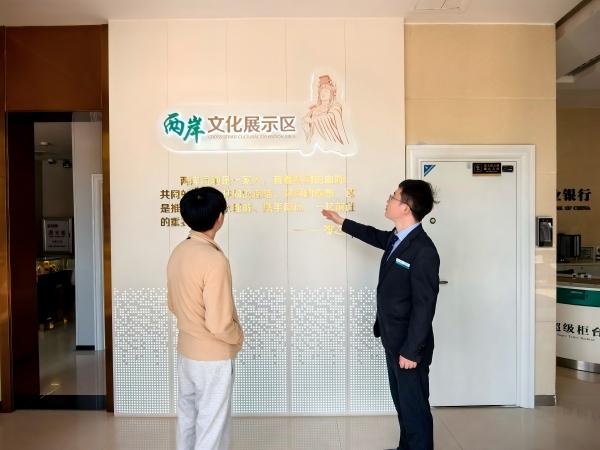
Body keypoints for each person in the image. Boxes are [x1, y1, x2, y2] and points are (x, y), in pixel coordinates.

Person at [322, 179, 440, 450]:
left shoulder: (423, 250)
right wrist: (341, 221)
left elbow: (424, 306)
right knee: (402, 403)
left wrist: (411, 350)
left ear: (406, 207)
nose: (388, 200)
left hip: (409, 346)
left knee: (414, 407)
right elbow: (373, 235)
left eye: (394, 196)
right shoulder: (397, 239)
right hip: (393, 338)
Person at [167, 186, 244, 450]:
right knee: (211, 426)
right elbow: (219, 324)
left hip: (186, 352)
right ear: (219, 218)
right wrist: (238, 336)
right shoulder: (214, 260)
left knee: (187, 418)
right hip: (212, 357)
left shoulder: (179, 251)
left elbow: (172, 304)